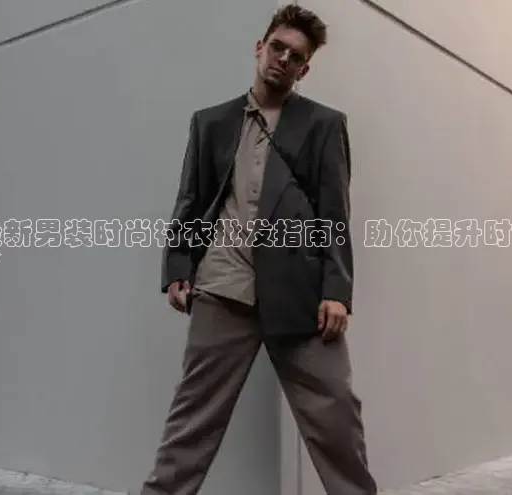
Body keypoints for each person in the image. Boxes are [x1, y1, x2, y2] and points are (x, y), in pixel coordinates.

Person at [141, 5, 378, 494]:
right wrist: (178, 266)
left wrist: (337, 290)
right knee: (193, 419)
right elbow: (191, 200)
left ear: (304, 70)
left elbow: (334, 214)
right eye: (278, 47)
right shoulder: (211, 122)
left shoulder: (323, 124)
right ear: (259, 47)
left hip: (300, 292)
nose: (283, 59)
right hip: (223, 285)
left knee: (336, 414)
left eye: (296, 56)